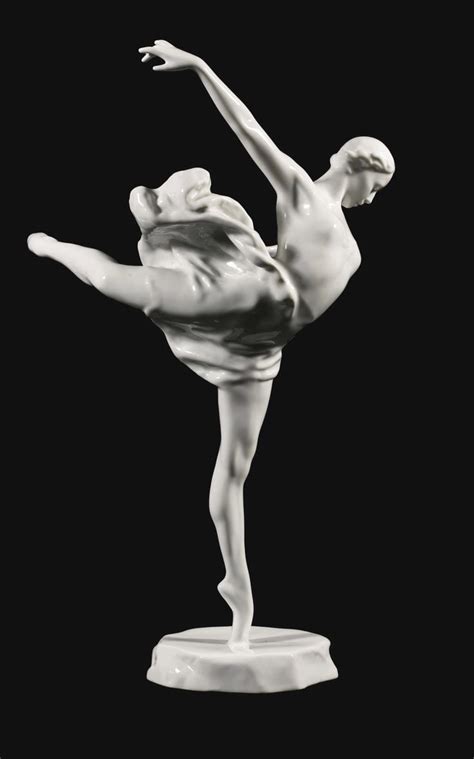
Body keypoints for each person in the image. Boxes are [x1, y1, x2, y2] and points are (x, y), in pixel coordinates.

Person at [27, 39, 395, 652]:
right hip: (246, 301)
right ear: (354, 168)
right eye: (375, 185)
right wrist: (199, 66)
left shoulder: (350, 239)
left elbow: (299, 272)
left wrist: (271, 258)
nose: (373, 199)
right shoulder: (303, 193)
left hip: (265, 344)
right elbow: (249, 131)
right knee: (131, 285)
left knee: (236, 467)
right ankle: (59, 249)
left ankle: (238, 588)